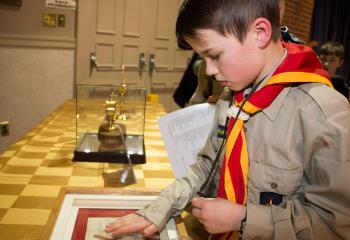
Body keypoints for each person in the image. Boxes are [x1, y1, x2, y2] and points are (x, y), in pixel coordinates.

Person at [106, 0, 350, 239]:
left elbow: (335, 226)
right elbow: (207, 167)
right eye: (203, 58)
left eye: (215, 55)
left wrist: (243, 219)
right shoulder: (230, 97)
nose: (209, 70)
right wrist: (160, 208)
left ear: (260, 32)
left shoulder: (324, 112)